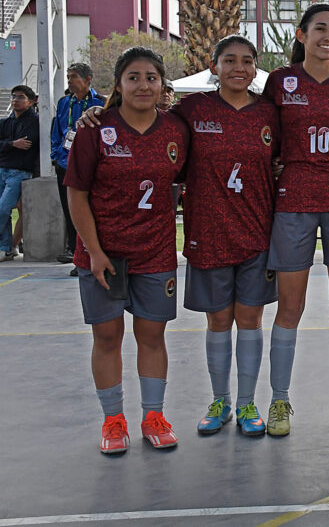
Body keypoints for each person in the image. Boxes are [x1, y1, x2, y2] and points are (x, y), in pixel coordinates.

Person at [64, 47, 189, 454]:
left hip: (154, 252)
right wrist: (94, 251)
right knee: (107, 335)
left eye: (151, 77)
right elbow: (77, 194)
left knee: (152, 336)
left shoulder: (175, 130)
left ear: (161, 85)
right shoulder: (94, 129)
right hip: (104, 254)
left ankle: (154, 415)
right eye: (133, 77)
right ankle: (113, 420)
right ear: (118, 84)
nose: (142, 85)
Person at [261, 3, 329, 435]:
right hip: (293, 200)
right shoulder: (279, 82)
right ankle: (279, 400)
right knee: (291, 305)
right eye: (320, 28)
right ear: (301, 35)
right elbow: (262, 133)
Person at [175, 36, 279, 437]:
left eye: (247, 61)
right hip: (209, 231)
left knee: (250, 320)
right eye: (230, 60)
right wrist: (97, 111)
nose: (239, 67)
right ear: (214, 65)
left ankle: (248, 402)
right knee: (219, 320)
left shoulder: (270, 114)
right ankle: (219, 400)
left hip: (256, 232)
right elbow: (144, 121)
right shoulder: (192, 110)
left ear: (255, 68)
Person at [51, 62, 105, 264]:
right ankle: (76, 256)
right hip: (65, 163)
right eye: (68, 76)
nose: (69, 81)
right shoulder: (65, 102)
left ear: (87, 79)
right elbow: (57, 130)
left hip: (90, 166)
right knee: (70, 210)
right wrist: (56, 155)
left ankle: (92, 253)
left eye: (73, 76)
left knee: (90, 210)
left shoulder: (100, 102)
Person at [0, 85, 39, 262]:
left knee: (3, 208)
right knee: (4, 211)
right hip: (2, 169)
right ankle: (6, 248)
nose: (16, 100)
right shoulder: (6, 122)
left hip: (19, 172)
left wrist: (7, 145)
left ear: (31, 101)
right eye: (13, 96)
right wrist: (11, 144)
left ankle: (8, 247)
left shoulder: (35, 121)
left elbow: (27, 144)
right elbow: (13, 145)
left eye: (21, 97)